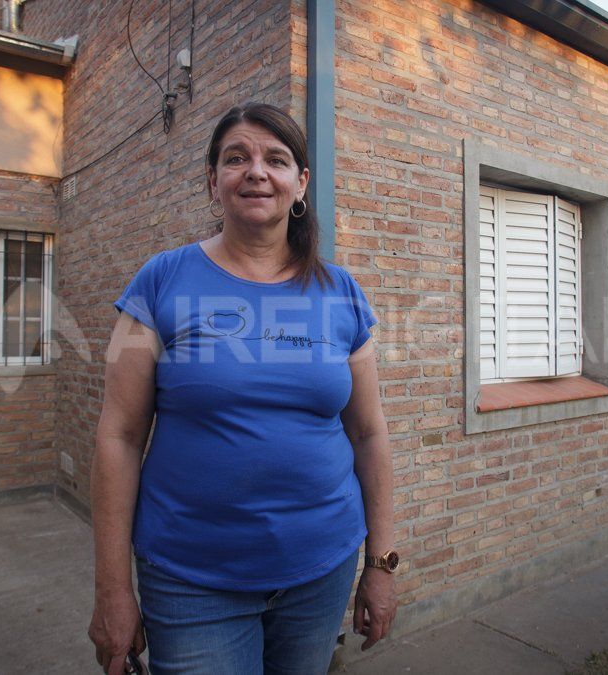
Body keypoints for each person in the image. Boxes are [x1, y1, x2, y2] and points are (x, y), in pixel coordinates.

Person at [88, 102, 398, 675]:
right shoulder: (160, 282)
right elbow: (120, 436)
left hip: (320, 571)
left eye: (276, 159)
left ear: (299, 183)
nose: (256, 171)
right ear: (213, 181)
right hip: (191, 581)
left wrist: (380, 563)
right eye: (237, 158)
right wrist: (112, 589)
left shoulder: (342, 293)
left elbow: (369, 432)